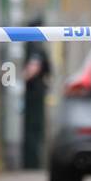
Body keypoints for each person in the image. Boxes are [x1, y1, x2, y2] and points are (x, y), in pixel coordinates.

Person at [21, 15, 53, 170]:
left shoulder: (33, 45)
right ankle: (32, 163)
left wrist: (19, 80)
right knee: (35, 128)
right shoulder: (37, 45)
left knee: (32, 128)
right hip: (35, 92)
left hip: (33, 92)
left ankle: (31, 164)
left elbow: (33, 68)